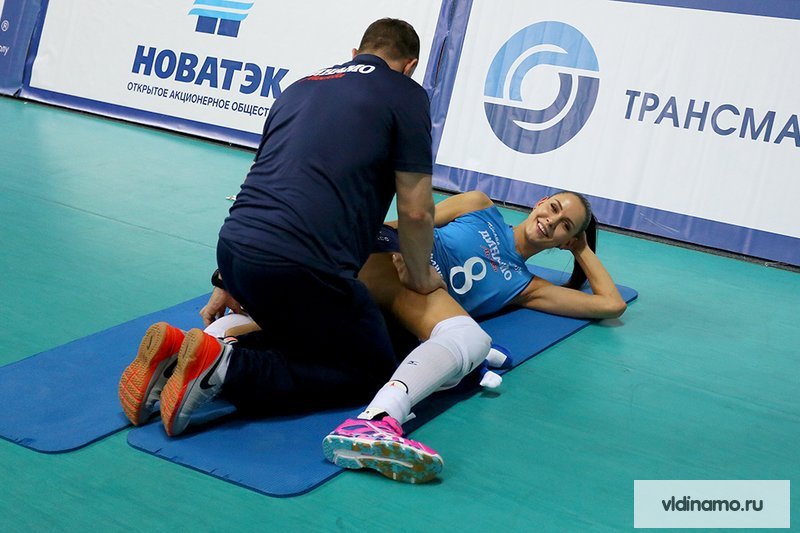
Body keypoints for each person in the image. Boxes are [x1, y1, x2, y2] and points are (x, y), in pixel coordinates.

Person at [118, 18, 444, 437]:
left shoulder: (299, 87)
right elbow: (416, 211)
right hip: (303, 268)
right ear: (410, 66)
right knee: (370, 369)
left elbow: (268, 178)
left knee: (297, 337)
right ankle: (226, 368)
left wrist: (227, 279)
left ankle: (179, 351)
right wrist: (419, 276)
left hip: (233, 251)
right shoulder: (405, 93)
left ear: (354, 53)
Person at [320, 189, 627, 483]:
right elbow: (398, 226)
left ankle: (375, 421)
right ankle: (375, 419)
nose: (551, 220)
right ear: (540, 202)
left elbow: (611, 305)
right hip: (383, 261)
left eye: (565, 226)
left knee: (474, 342)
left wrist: (581, 248)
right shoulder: (480, 206)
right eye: (554, 208)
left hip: (407, 306)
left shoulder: (527, 287)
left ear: (566, 241)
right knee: (472, 342)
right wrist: (409, 259)